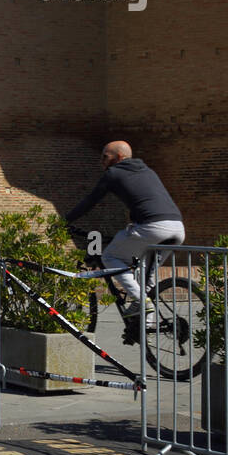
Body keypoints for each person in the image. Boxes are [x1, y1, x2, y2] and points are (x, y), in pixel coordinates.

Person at [66, 140, 184, 332]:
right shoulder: (148, 171)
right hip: (177, 227)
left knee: (110, 256)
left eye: (105, 156)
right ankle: (146, 327)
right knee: (147, 273)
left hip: (152, 227)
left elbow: (90, 200)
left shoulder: (113, 173)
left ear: (119, 157)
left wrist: (65, 221)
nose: (102, 161)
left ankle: (143, 302)